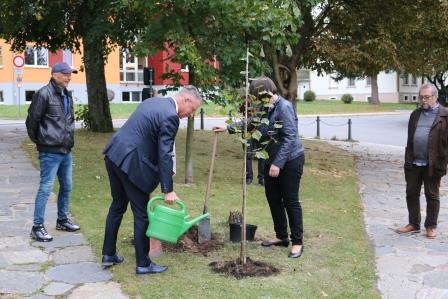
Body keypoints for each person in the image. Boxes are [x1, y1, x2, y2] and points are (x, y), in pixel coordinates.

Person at [101, 86, 202, 274]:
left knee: (117, 206)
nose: (190, 115)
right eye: (193, 109)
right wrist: (168, 189)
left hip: (114, 155)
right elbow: (165, 154)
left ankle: (108, 254)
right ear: (186, 100)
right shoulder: (171, 117)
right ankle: (143, 264)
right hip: (131, 163)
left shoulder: (152, 102)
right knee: (142, 214)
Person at [214, 77, 305, 258]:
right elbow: (252, 122)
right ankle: (281, 236)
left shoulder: (285, 107)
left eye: (258, 95)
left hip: (290, 160)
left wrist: (278, 164)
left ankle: (297, 242)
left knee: (290, 200)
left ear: (266, 92)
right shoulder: (266, 107)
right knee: (273, 198)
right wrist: (229, 128)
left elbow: (289, 138)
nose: (256, 100)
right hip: (271, 159)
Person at [26, 62, 80, 242]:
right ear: (55, 74)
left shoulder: (67, 95)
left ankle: (62, 220)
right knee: (46, 188)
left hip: (66, 150)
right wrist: (39, 141)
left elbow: (68, 121)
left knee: (67, 186)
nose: (69, 77)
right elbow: (32, 121)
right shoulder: (43, 94)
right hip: (49, 151)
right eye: (65, 74)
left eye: (70, 74)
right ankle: (37, 227)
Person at [396, 83, 448, 239]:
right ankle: (413, 224)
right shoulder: (415, 114)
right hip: (414, 162)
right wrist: (408, 158)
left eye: (426, 97)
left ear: (435, 97)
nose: (423, 100)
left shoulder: (445, 115)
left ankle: (430, 226)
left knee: (431, 195)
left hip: (434, 163)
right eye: (421, 97)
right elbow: (410, 139)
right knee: (411, 193)